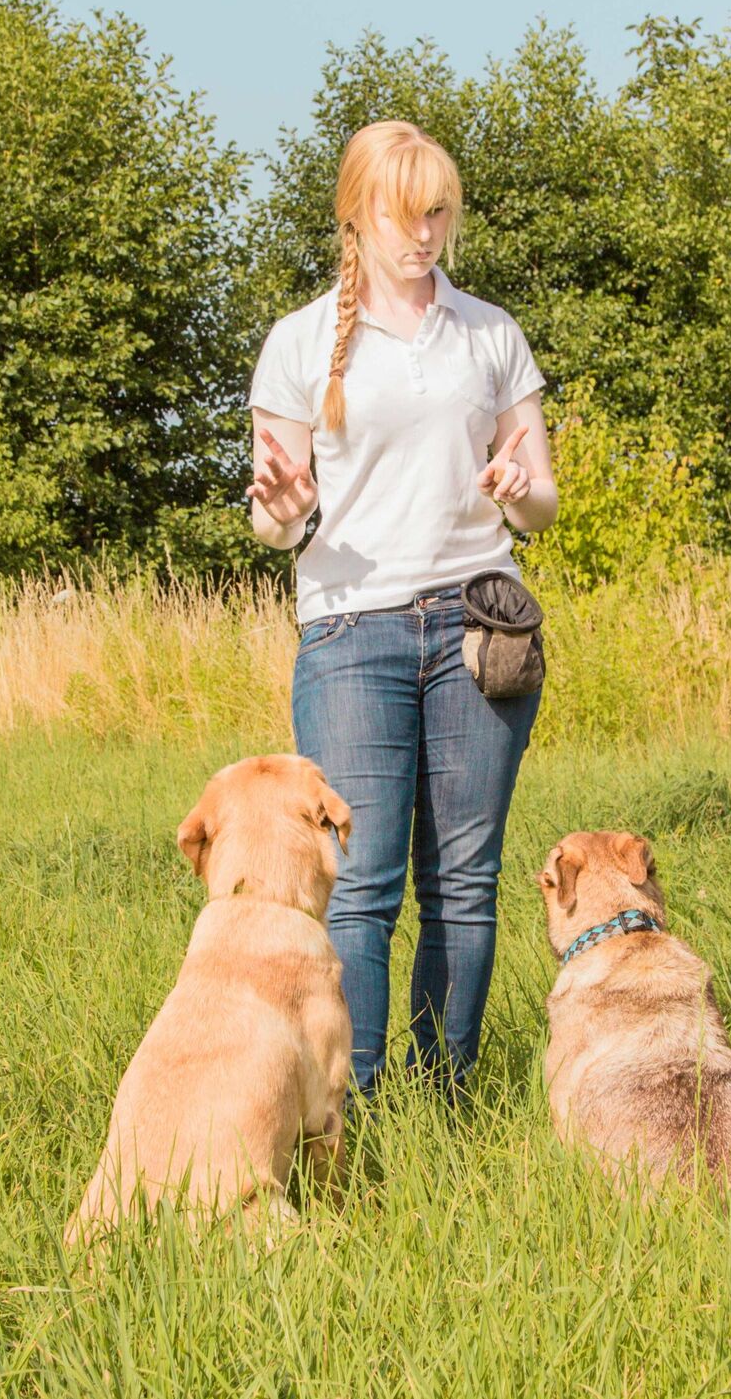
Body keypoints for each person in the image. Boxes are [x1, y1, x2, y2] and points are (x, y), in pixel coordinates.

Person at [245, 120, 557, 1101]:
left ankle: (442, 1104)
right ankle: (357, 1110)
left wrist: (515, 485)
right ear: (355, 211)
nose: (423, 233)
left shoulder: (490, 333)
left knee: (463, 884)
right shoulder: (298, 343)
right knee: (362, 888)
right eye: (402, 212)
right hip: (350, 630)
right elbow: (271, 519)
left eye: (438, 212)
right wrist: (286, 510)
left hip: (478, 624)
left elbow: (541, 501)